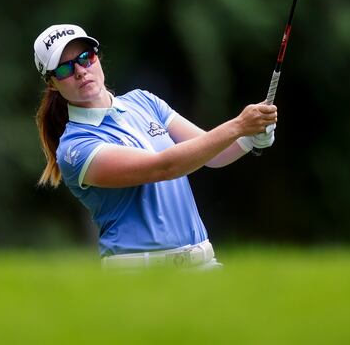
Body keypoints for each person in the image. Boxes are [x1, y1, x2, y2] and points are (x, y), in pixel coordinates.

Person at [33, 24, 277, 270]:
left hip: (202, 262)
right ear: (52, 83)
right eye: (64, 68)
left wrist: (250, 138)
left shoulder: (144, 101)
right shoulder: (74, 147)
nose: (80, 71)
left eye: (86, 58)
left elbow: (213, 154)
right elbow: (164, 167)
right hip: (137, 272)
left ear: (97, 58)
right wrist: (238, 126)